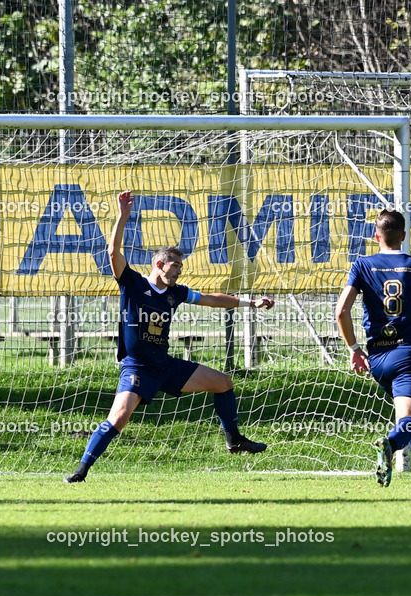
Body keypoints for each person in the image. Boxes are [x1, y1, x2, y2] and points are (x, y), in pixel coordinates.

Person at [64, 190, 275, 483]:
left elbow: (212, 299)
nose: (178, 271)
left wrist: (248, 303)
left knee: (223, 382)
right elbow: (113, 254)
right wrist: (123, 217)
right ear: (158, 264)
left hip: (165, 365)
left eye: (180, 266)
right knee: (119, 419)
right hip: (137, 368)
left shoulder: (176, 293)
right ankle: (81, 470)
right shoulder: (134, 284)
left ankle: (234, 440)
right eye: (174, 265)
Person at [334, 208, 411, 488]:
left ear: (376, 235)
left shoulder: (362, 266)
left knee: (410, 420)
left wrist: (354, 349)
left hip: (378, 360)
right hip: (409, 355)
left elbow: (341, 312)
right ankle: (389, 445)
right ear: (403, 236)